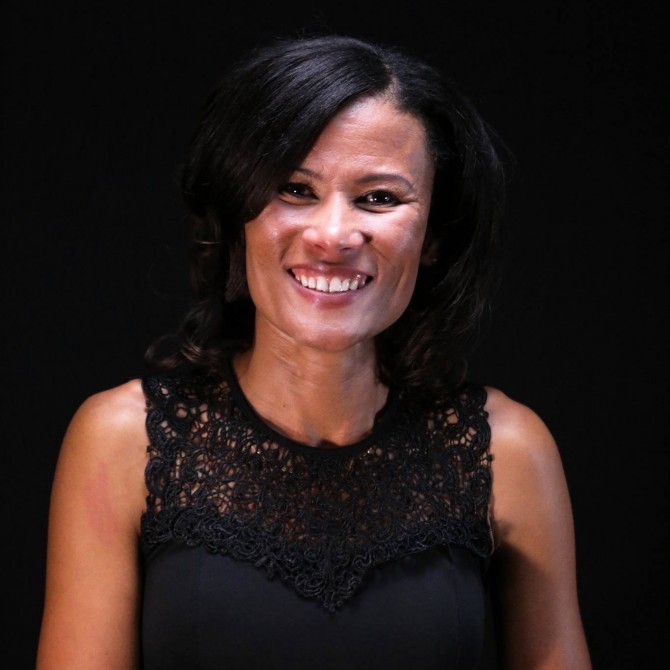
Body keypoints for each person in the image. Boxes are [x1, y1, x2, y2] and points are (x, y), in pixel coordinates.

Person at [36, 33, 592, 669]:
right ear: (237, 214)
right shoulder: (122, 441)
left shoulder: (507, 451)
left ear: (434, 235)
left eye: (379, 198)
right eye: (295, 189)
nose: (333, 235)